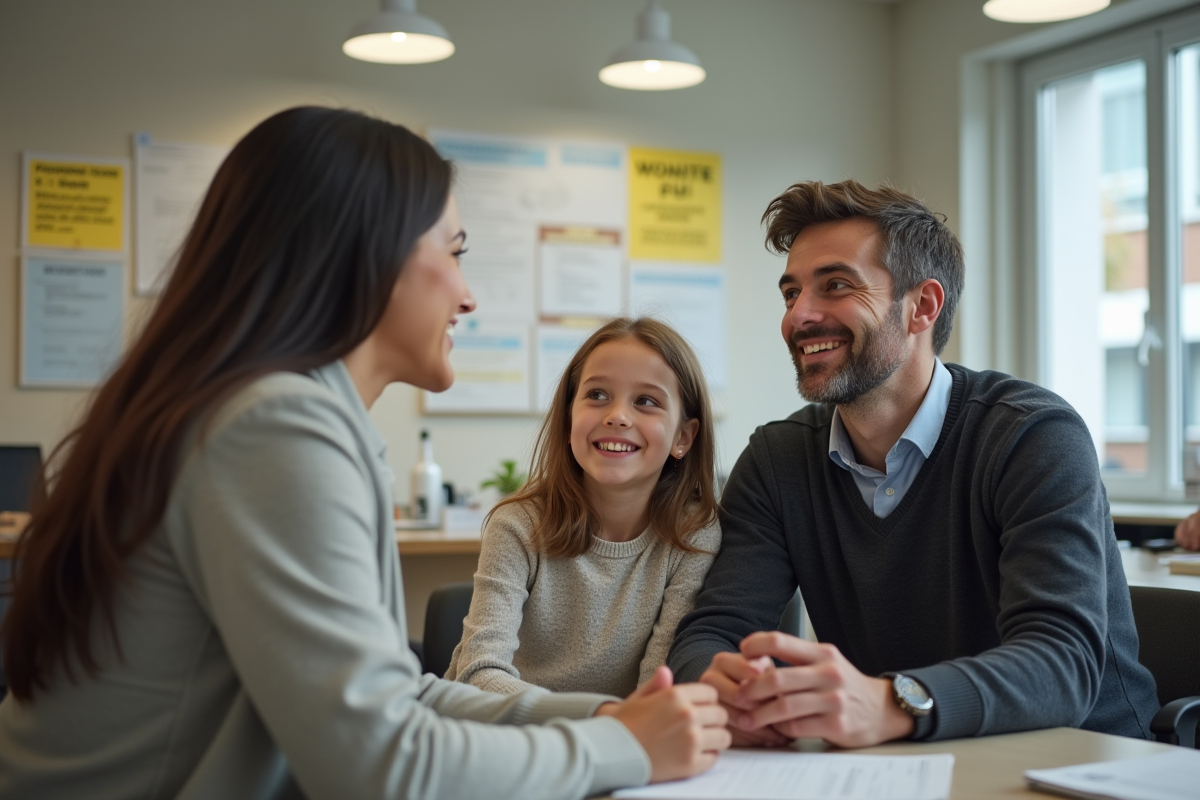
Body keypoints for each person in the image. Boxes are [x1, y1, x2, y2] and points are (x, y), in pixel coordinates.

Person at [0, 107, 730, 800]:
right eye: (455, 253)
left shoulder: (266, 410)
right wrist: (626, 749)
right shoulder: (275, 427)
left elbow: (397, 697)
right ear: (367, 257)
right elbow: (381, 766)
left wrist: (607, 722)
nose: (469, 296)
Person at [668, 179, 1160, 748]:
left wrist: (887, 701)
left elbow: (1059, 665)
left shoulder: (1032, 437)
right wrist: (728, 688)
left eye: (835, 285)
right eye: (790, 293)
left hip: (1080, 762)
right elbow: (713, 633)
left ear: (922, 306)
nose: (799, 316)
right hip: (899, 763)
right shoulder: (776, 462)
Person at [445, 317, 721, 697]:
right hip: (510, 740)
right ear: (569, 416)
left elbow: (656, 688)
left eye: (646, 401)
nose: (617, 415)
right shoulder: (517, 525)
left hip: (617, 741)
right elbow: (479, 675)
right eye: (597, 395)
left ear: (683, 437)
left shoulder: (694, 534)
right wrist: (596, 721)